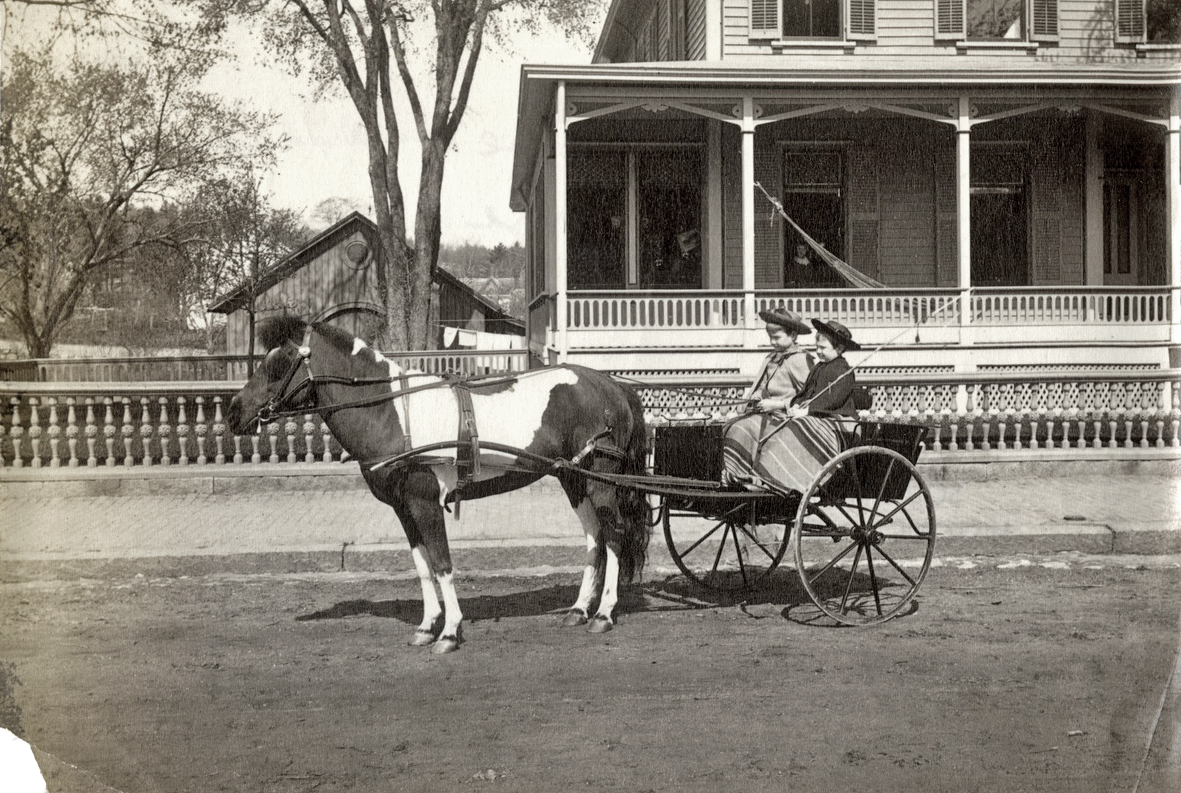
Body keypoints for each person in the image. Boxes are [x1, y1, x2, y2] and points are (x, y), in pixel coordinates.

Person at [723, 318, 863, 495]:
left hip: (837, 420)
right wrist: (796, 405)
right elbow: (806, 393)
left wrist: (808, 410)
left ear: (840, 349)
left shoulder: (843, 371)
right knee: (782, 424)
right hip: (817, 414)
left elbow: (833, 399)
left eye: (823, 349)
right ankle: (745, 473)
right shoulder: (820, 367)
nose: (818, 352)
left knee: (796, 427)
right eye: (817, 348)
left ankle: (775, 480)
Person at [721, 308, 815, 486]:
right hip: (766, 414)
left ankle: (745, 477)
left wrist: (778, 405)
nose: (772, 342)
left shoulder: (801, 359)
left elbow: (810, 395)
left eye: (777, 337)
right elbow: (763, 386)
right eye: (770, 337)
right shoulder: (772, 359)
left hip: (785, 417)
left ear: (793, 336)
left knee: (741, 428)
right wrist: (755, 397)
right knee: (729, 426)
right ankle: (732, 475)